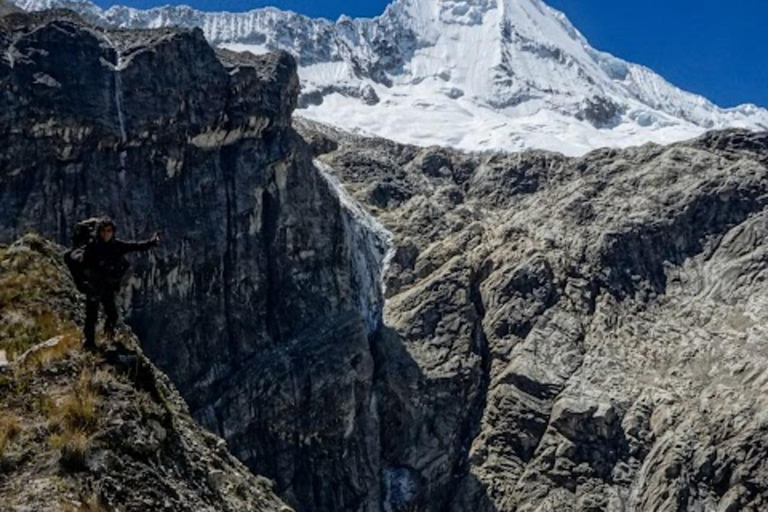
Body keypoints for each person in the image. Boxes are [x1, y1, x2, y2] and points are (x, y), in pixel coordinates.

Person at [76, 217, 160, 350]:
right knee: (91, 316)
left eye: (109, 231)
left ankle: (107, 338)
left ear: (113, 232)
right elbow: (82, 266)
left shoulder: (117, 246)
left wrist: (152, 243)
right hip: (94, 286)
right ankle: (89, 344)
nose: (106, 233)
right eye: (103, 231)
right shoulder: (92, 247)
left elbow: (135, 246)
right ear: (99, 232)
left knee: (112, 315)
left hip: (107, 287)